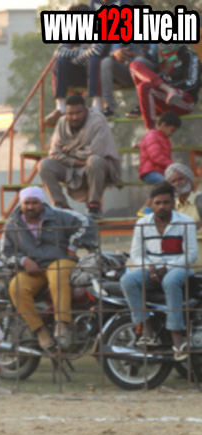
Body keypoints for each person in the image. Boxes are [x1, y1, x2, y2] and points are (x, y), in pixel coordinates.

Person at [2, 186, 96, 349]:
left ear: (42, 203)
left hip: (61, 261)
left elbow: (87, 222)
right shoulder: (12, 224)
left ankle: (62, 324)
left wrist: (73, 246)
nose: (30, 207)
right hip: (34, 269)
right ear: (21, 204)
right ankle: (40, 330)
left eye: (34, 203)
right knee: (16, 287)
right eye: (26, 203)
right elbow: (5, 252)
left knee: (57, 274)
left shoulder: (59, 215)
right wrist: (23, 260)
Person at [122, 182, 197, 361]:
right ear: (152, 204)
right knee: (127, 281)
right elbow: (136, 254)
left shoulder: (185, 222)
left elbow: (191, 255)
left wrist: (167, 268)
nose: (162, 206)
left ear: (173, 203)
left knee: (170, 281)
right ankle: (146, 326)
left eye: (166, 202)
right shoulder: (142, 224)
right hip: (152, 269)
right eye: (158, 203)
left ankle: (176, 336)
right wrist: (150, 268)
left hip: (179, 268)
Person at [38, 93, 122, 218]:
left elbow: (96, 151)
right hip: (71, 167)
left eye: (78, 113)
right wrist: (76, 161)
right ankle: (61, 207)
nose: (75, 117)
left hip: (94, 168)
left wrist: (68, 151)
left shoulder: (98, 120)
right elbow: (54, 152)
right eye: (71, 114)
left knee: (95, 160)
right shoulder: (62, 122)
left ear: (86, 110)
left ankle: (94, 206)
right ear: (66, 113)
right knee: (44, 164)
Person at [43, 5, 107, 126]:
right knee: (60, 61)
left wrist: (75, 58)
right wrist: (80, 53)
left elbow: (96, 51)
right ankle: (61, 107)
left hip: (95, 74)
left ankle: (97, 105)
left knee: (94, 60)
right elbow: (59, 51)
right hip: (77, 73)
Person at [129, 44, 200, 130]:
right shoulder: (158, 55)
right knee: (134, 65)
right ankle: (166, 90)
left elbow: (191, 82)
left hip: (184, 99)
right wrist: (165, 87)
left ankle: (151, 130)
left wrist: (172, 86)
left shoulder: (189, 55)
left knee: (145, 87)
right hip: (161, 98)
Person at [139, 112, 181, 185]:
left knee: (171, 185)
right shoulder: (152, 136)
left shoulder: (164, 139)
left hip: (159, 172)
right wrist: (171, 165)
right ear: (163, 125)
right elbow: (156, 156)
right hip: (151, 172)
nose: (172, 134)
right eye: (172, 130)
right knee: (168, 185)